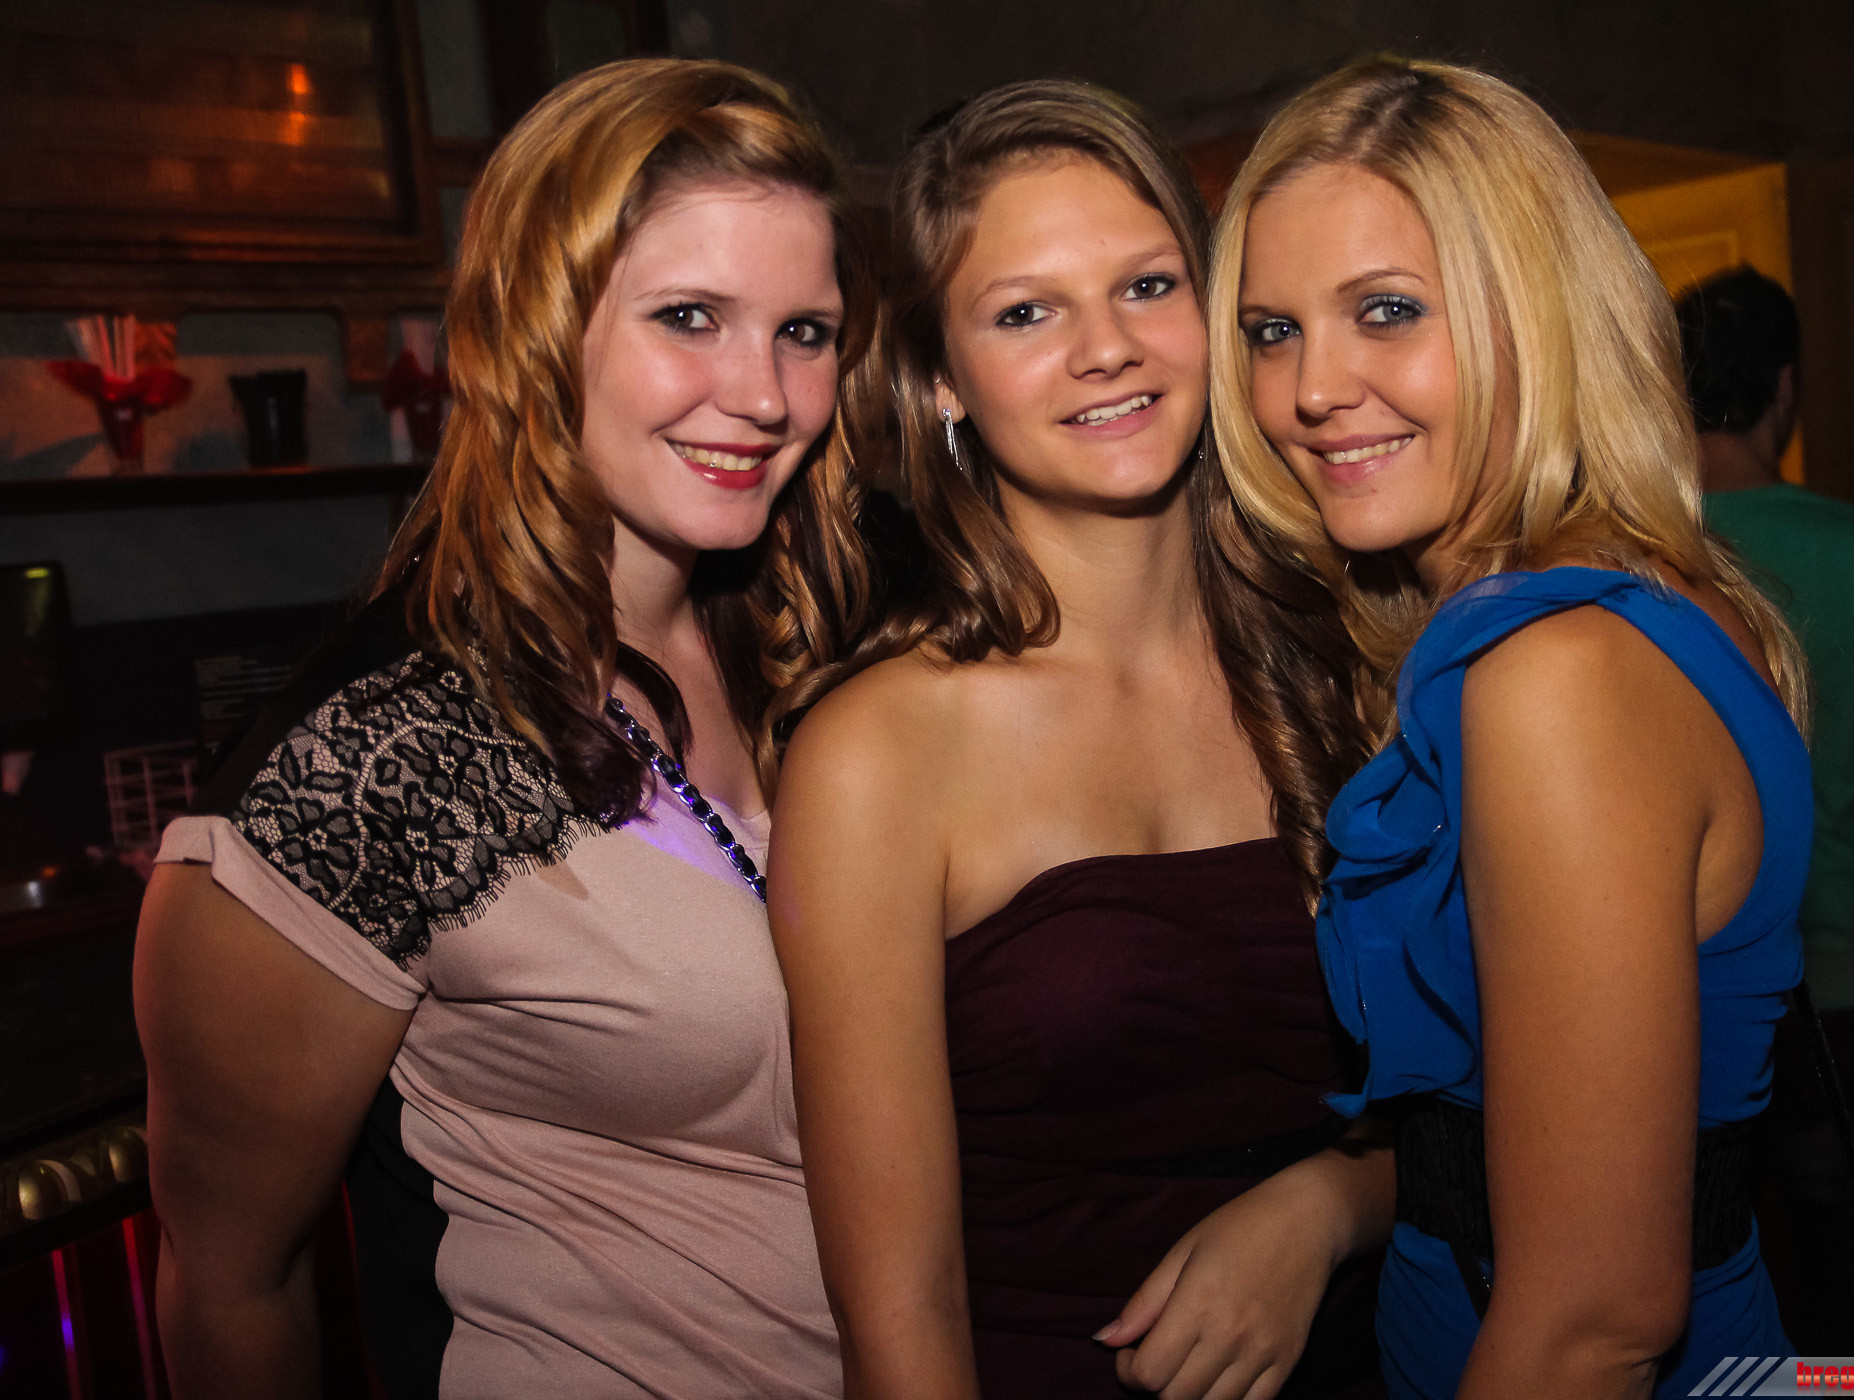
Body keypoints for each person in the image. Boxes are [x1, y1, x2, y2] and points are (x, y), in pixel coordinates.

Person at [134, 59, 877, 1398]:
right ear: (535, 327)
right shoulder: (368, 769)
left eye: (805, 332)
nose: (765, 394)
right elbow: (233, 1280)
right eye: (691, 316)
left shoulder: (818, 652)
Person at [768, 80, 1390, 1400]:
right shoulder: (879, 752)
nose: (1106, 348)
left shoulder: (1352, 663)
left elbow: (1512, 1098)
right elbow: (900, 1308)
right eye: (1026, 312)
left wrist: (1330, 1207)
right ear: (943, 378)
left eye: (1147, 286)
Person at [1209, 56, 1815, 1398]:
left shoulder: (1557, 672)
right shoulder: (1600, 615)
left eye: (1386, 310)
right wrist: (1331, 1202)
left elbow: (1597, 1319)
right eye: (1270, 330)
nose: (1312, 388)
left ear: (1537, 316)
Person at [1676, 268, 1854, 1347]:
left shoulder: (1633, 556)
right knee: (1845, 1273)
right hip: (1838, 970)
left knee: (1698, 1273)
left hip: (1677, 983)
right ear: (1786, 386)